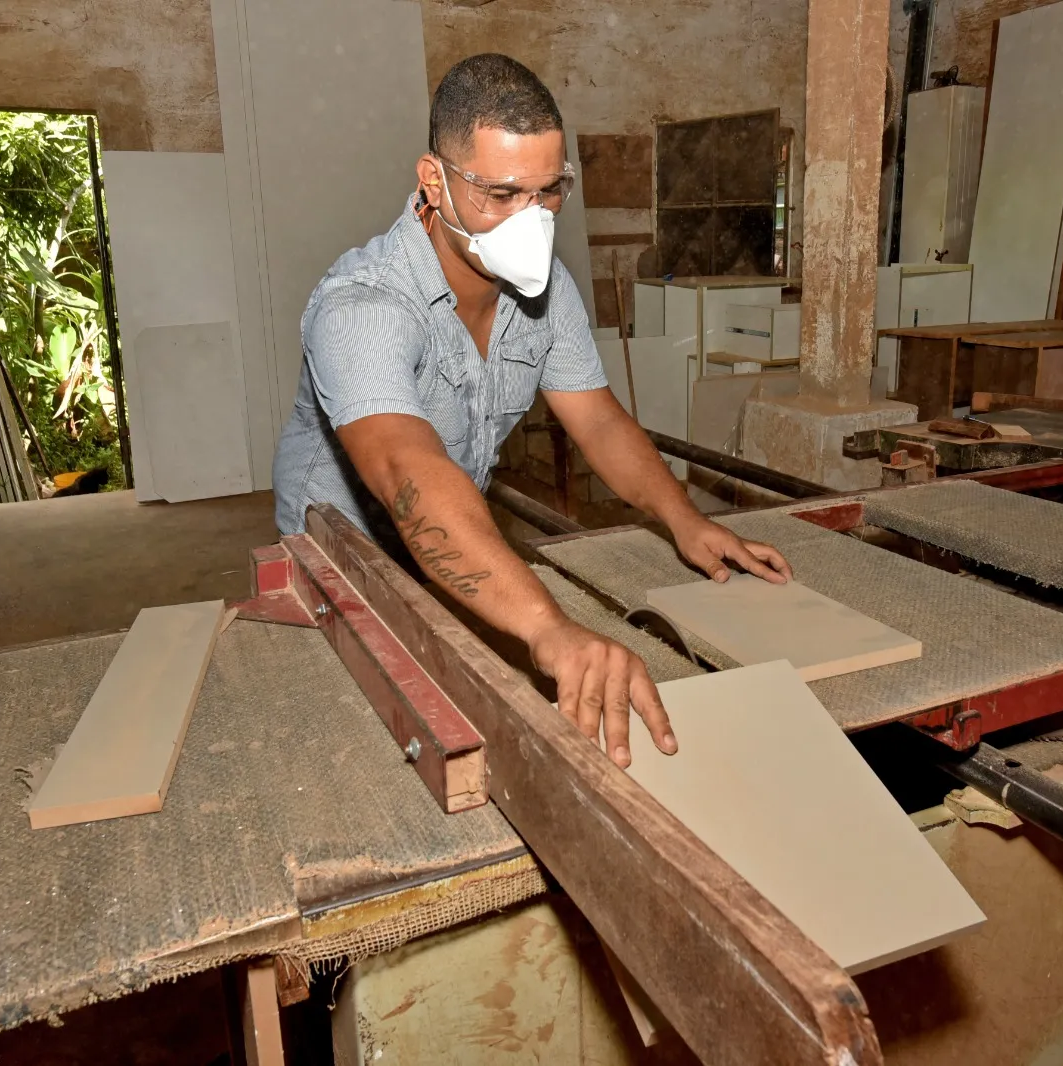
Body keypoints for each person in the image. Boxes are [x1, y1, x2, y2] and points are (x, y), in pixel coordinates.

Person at [273, 53, 792, 768]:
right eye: (502, 193)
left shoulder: (544, 292)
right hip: (341, 560)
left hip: (458, 549)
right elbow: (405, 469)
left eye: (550, 192)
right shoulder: (361, 307)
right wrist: (549, 628)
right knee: (366, 757)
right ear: (435, 180)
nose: (532, 219)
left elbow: (599, 420)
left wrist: (685, 520)